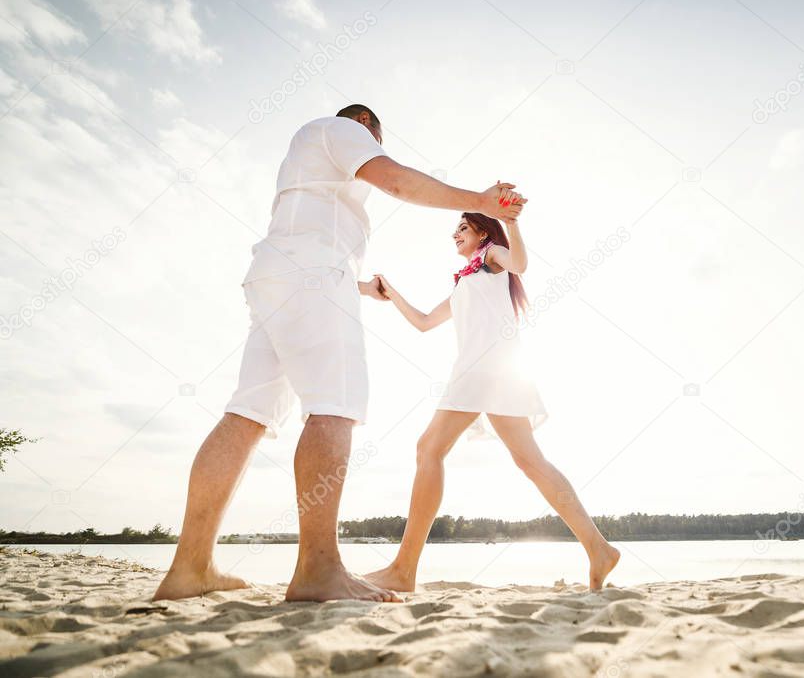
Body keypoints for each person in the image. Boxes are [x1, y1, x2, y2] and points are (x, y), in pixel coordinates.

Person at [153, 104, 525, 603]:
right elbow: (396, 181)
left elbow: (307, 235)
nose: (375, 151)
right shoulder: (344, 130)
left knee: (246, 414)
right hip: (313, 275)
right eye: (377, 141)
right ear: (367, 127)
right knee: (335, 405)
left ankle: (189, 568)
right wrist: (481, 200)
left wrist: (361, 287)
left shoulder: (303, 161)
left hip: (274, 276)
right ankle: (318, 570)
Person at [366, 212, 620, 592]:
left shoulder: (491, 257)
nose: (455, 233)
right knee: (530, 462)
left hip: (484, 370)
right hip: (495, 372)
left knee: (429, 448)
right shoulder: (465, 280)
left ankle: (404, 569)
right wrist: (392, 291)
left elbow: (520, 263)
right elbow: (421, 322)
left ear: (482, 232)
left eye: (463, 227)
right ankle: (599, 549)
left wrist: (511, 222)